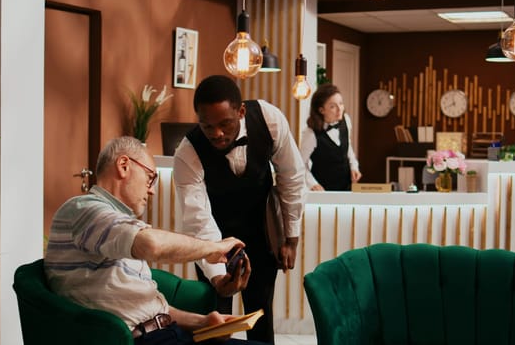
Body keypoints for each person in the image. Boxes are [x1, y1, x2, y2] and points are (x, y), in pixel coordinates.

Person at [44, 136, 266, 345]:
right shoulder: (84, 209)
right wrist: (212, 249)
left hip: (166, 334)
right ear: (123, 165)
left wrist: (204, 322)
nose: (151, 191)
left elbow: (150, 307)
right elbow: (152, 245)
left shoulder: (116, 229)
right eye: (151, 178)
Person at [173, 75, 307, 344]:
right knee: (216, 324)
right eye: (207, 126)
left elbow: (291, 176)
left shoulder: (269, 119)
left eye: (225, 124)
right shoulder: (187, 153)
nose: (217, 134)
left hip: (261, 233)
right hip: (214, 241)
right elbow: (198, 220)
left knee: (260, 314)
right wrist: (221, 278)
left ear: (241, 111)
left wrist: (290, 237)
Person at [300, 83, 362, 191]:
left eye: (341, 103)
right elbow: (300, 164)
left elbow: (348, 147)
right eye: (333, 106)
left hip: (347, 188)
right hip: (323, 191)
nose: (339, 109)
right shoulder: (310, 134)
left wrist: (354, 167)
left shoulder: (346, 121)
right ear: (321, 110)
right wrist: (312, 184)